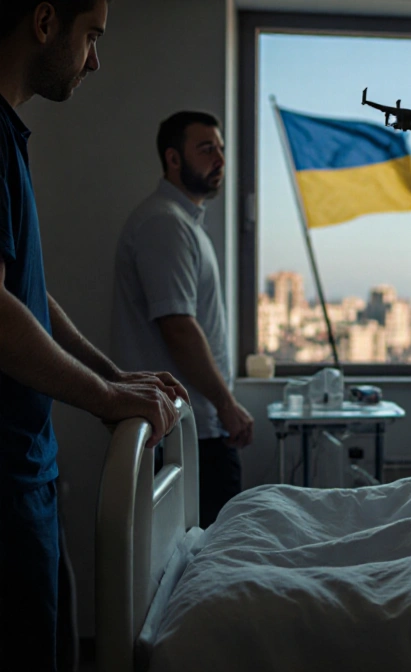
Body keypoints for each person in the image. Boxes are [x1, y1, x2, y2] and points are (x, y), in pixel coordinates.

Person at [0, 1, 187, 668]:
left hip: (30, 468)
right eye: (91, 37)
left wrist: (113, 375)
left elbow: (28, 297)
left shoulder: (9, 138)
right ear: (44, 22)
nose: (96, 60)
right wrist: (105, 401)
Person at [111, 111, 253, 528]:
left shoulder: (183, 224)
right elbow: (177, 327)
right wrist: (226, 405)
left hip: (186, 426)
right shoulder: (164, 224)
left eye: (222, 148)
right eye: (206, 148)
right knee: (207, 571)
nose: (220, 159)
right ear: (173, 159)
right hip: (181, 431)